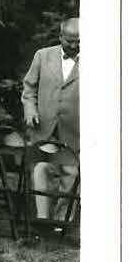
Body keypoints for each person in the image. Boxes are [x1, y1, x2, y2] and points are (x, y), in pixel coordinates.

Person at [21, 18, 81, 229]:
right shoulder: (42, 56)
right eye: (70, 41)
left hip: (74, 131)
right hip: (44, 127)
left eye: (78, 42)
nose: (74, 46)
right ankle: (42, 220)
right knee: (41, 169)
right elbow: (28, 89)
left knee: (71, 174)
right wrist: (30, 110)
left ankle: (60, 223)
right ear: (60, 37)